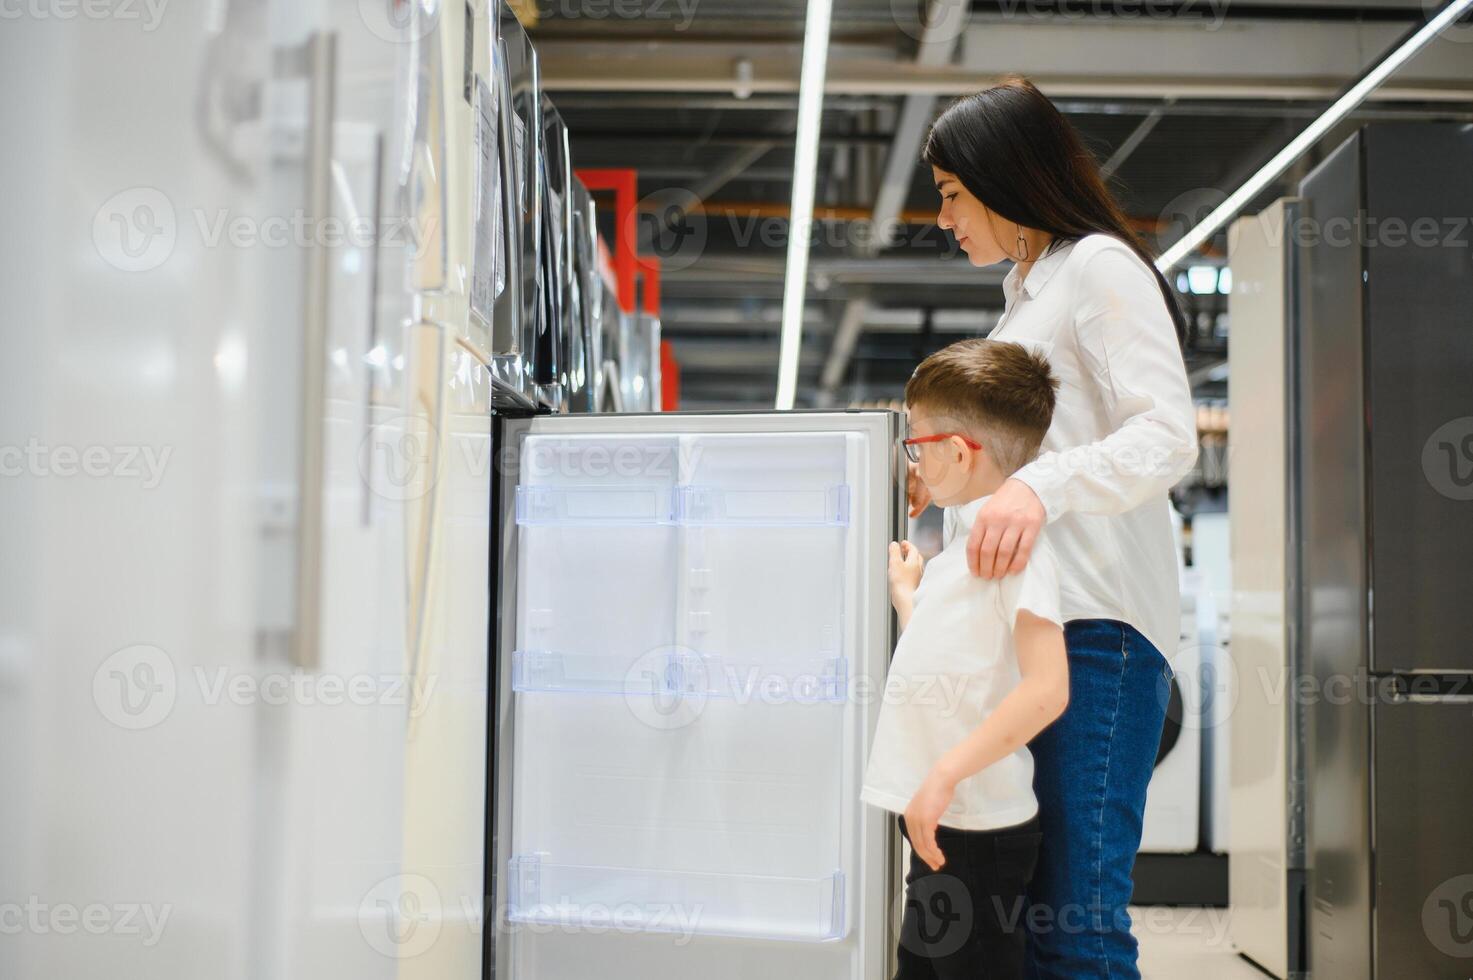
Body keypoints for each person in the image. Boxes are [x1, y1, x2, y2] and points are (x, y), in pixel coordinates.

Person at [911, 75, 1200, 980]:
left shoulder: (1096, 268)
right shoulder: (1022, 297)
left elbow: (1166, 435)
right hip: (1033, 635)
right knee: (1032, 923)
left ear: (1006, 177)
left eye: (953, 194)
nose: (945, 217)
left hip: (1099, 637)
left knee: (1075, 926)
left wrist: (1037, 487)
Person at [861, 339, 1070, 980]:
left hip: (978, 830)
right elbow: (953, 660)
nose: (915, 460)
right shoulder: (961, 554)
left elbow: (1048, 689)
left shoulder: (1018, 555)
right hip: (943, 818)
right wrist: (907, 599)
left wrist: (945, 775)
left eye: (918, 443)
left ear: (958, 451)